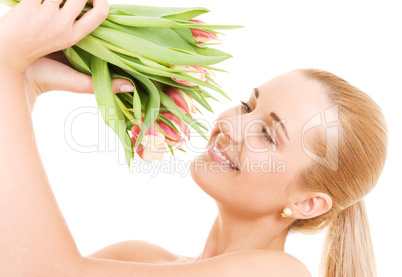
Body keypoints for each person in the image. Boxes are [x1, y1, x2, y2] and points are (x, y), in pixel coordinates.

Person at [0, 0, 388, 277]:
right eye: (246, 106)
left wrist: (6, 67)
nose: (231, 125)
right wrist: (26, 84)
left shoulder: (277, 273)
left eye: (268, 135)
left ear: (306, 203)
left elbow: (44, 270)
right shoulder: (137, 257)